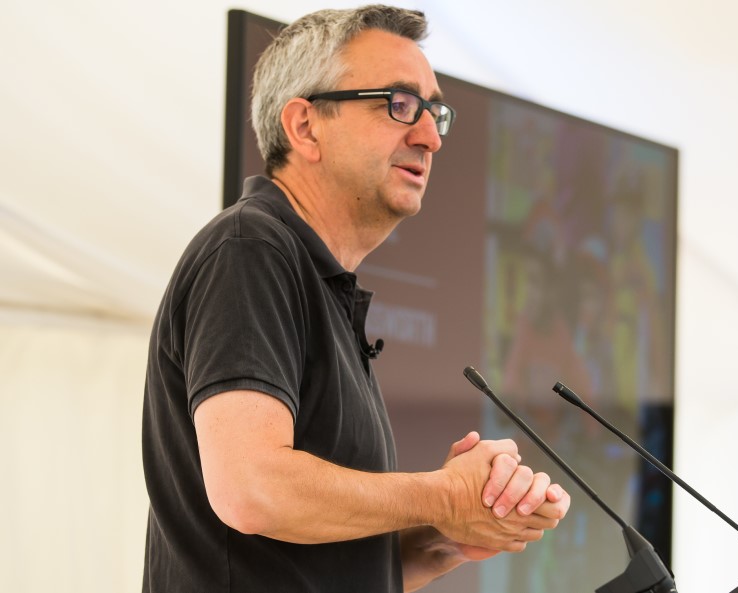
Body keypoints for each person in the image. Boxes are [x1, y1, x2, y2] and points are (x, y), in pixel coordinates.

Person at [141, 6, 570, 592]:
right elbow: (251, 489)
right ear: (305, 126)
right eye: (398, 104)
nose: (427, 136)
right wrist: (445, 494)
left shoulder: (319, 283)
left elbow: (330, 567)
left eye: (434, 113)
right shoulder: (250, 248)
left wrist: (450, 536)